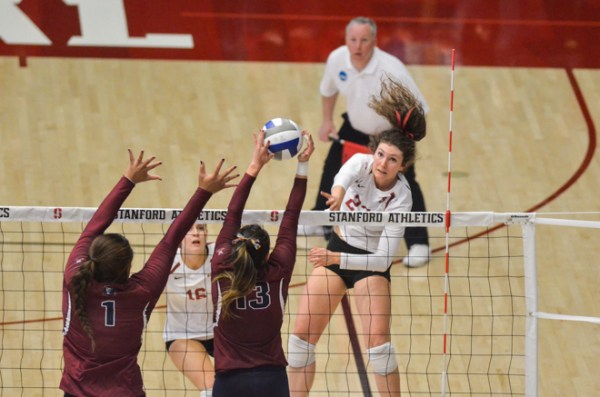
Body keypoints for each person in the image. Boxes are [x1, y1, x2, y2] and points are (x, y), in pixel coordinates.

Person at [60, 149, 238, 397]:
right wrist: (203, 191)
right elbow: (171, 239)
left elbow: (94, 225)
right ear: (127, 267)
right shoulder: (141, 291)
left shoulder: (74, 277)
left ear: (92, 258)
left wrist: (127, 180)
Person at [287, 82, 426, 397]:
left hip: (370, 264)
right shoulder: (361, 164)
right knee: (299, 342)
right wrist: (336, 196)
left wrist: (335, 260)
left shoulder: (402, 197)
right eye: (380, 154)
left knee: (379, 347)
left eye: (392, 160)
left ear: (403, 166)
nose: (382, 163)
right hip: (339, 248)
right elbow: (341, 179)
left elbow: (381, 259)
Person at [303, 16, 431, 268]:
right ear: (346, 40)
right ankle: (320, 218)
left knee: (407, 183)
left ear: (374, 41)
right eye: (353, 40)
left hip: (390, 134)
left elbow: (421, 108)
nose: (358, 46)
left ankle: (419, 243)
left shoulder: (392, 68)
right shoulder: (337, 59)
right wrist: (327, 120)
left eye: (364, 40)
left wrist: (402, 139)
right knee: (332, 169)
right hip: (354, 126)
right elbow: (328, 90)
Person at [211, 130, 314, 397]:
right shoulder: (278, 270)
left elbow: (232, 214)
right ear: (267, 256)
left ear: (235, 246)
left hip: (229, 383)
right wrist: (302, 165)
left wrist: (254, 165)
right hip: (272, 382)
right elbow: (291, 217)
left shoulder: (222, 267)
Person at [163, 223, 215, 397]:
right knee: (213, 389)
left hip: (220, 332)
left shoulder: (220, 255)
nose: (196, 234)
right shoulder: (167, 262)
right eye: (189, 229)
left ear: (206, 233)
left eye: (200, 228)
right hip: (182, 335)